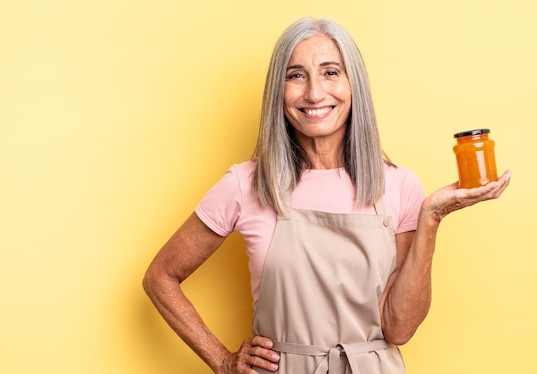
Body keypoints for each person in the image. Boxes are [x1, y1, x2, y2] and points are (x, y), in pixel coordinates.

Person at [143, 17, 511, 374]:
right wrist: (222, 361)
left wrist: (431, 217)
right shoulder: (247, 183)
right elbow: (160, 276)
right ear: (279, 90)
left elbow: (399, 329)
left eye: (330, 72)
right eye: (296, 75)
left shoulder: (398, 186)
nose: (314, 93)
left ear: (354, 86)